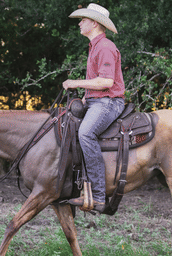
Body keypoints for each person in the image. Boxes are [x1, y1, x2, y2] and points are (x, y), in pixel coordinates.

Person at [63, 3, 125, 212]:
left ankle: (98, 196)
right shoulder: (94, 47)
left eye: (83, 20)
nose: (80, 23)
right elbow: (97, 83)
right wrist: (85, 97)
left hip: (109, 102)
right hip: (96, 101)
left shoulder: (105, 47)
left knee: (86, 134)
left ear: (95, 23)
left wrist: (75, 83)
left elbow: (106, 82)